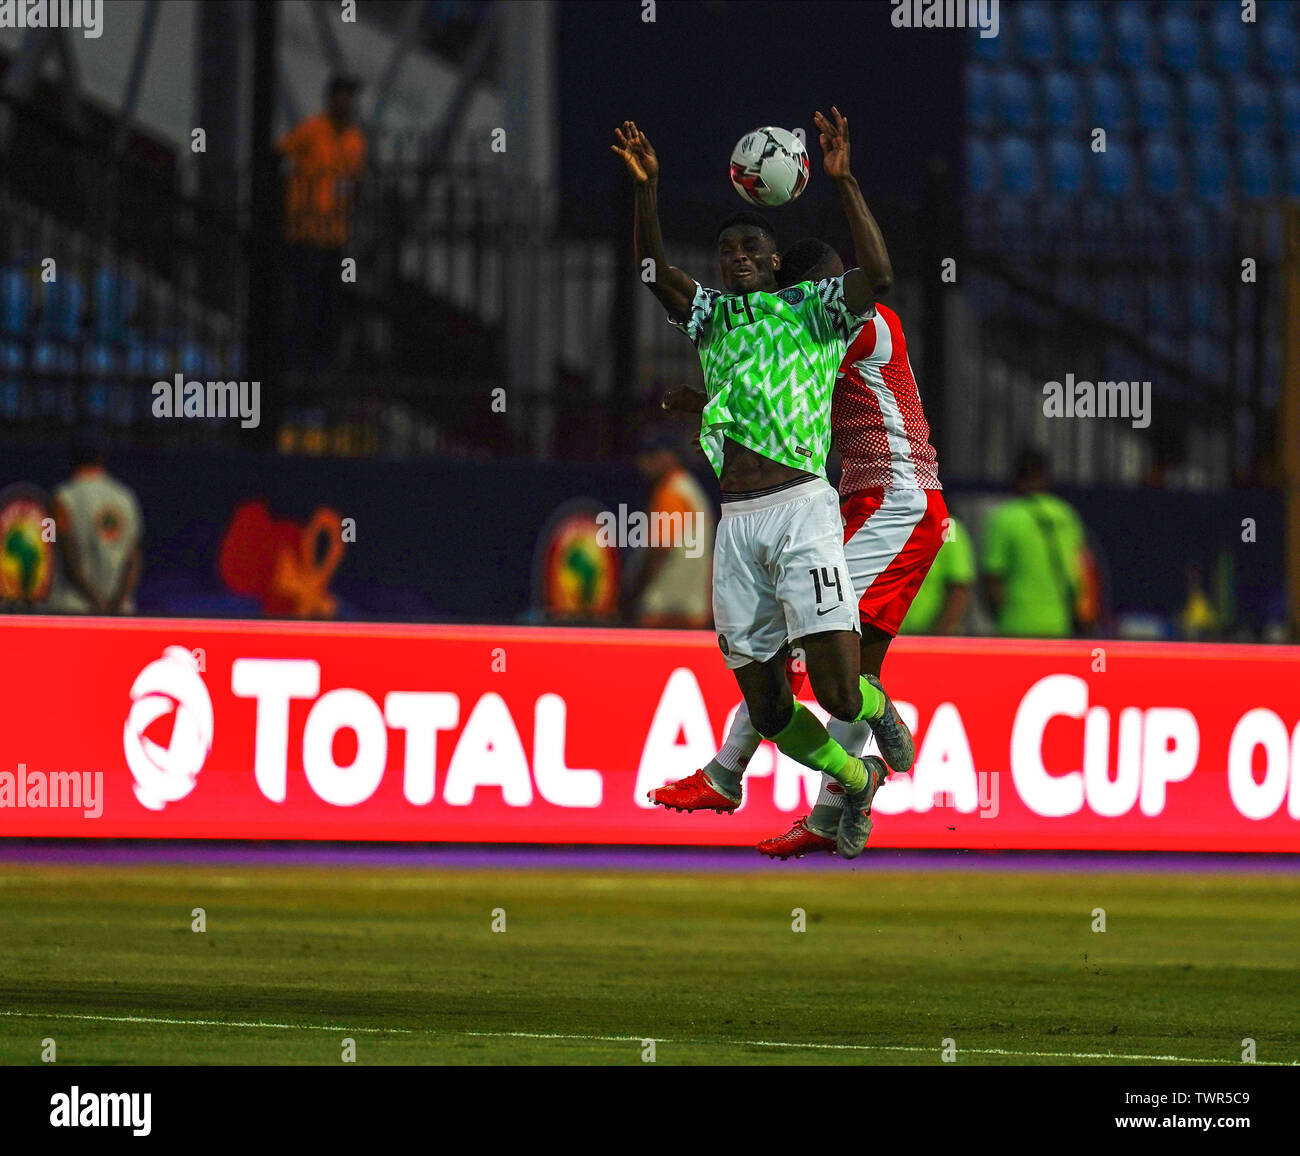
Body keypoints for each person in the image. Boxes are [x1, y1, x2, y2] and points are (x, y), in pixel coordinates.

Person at [656, 111, 947, 860]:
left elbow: (780, 356)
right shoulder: (807, 325)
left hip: (900, 498)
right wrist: (710, 400)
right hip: (864, 502)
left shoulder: (867, 324)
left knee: (795, 640)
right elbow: (764, 383)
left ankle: (732, 773)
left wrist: (844, 183)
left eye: (797, 289)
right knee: (846, 671)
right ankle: (842, 801)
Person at [278, 74, 366, 374]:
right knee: (305, 303)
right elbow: (281, 153)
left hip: (334, 235)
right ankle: (296, 365)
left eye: (350, 96)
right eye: (343, 95)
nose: (348, 102)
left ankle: (319, 369)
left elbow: (354, 183)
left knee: (329, 306)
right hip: (306, 232)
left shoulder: (355, 140)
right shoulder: (313, 130)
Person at [981, 448, 1087, 637]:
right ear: (1046, 477)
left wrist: (999, 616)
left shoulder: (1005, 518)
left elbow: (994, 577)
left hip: (1016, 627)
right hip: (1059, 627)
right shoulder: (1066, 514)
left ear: (1016, 478)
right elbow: (1080, 570)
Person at [621, 430, 715, 628]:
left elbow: (660, 548)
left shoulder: (672, 491)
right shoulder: (689, 488)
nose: (644, 462)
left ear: (669, 457)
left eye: (652, 456)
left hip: (668, 605)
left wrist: (636, 591)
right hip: (692, 604)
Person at [48, 447, 143, 615]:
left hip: (75, 607)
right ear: (102, 458)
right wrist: (118, 601)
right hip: (119, 609)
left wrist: (95, 601)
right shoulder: (125, 497)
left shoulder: (63, 497)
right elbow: (133, 557)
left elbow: (66, 553)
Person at [897, 513, 974, 636]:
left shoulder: (947, 527)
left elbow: (959, 587)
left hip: (926, 635)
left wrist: (940, 636)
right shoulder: (875, 522)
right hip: (880, 635)